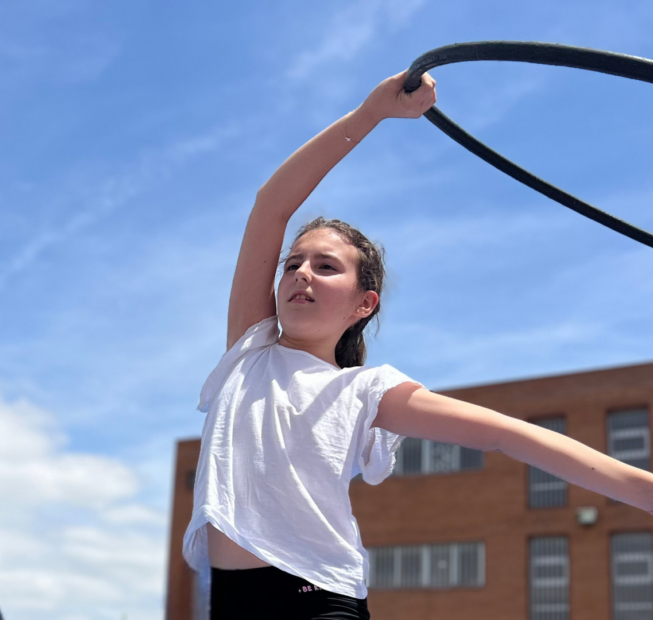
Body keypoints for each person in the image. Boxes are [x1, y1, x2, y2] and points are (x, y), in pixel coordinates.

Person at [182, 69, 653, 620]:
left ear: (364, 304)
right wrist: (370, 114)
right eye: (293, 264)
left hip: (317, 601)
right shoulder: (250, 350)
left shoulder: (364, 392)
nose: (301, 272)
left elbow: (508, 434)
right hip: (230, 604)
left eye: (326, 266)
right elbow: (271, 205)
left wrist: (644, 490)